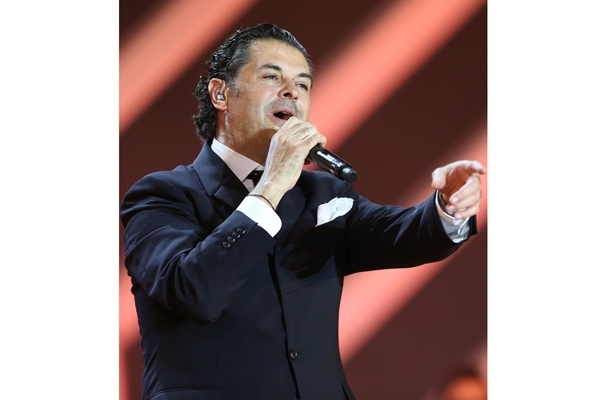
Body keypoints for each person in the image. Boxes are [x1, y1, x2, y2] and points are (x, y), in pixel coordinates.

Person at [120, 23, 486, 400]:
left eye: (303, 84)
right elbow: (193, 291)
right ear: (221, 93)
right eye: (271, 76)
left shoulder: (323, 192)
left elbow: (404, 233)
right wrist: (271, 186)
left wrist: (448, 207)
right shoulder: (162, 195)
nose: (291, 91)